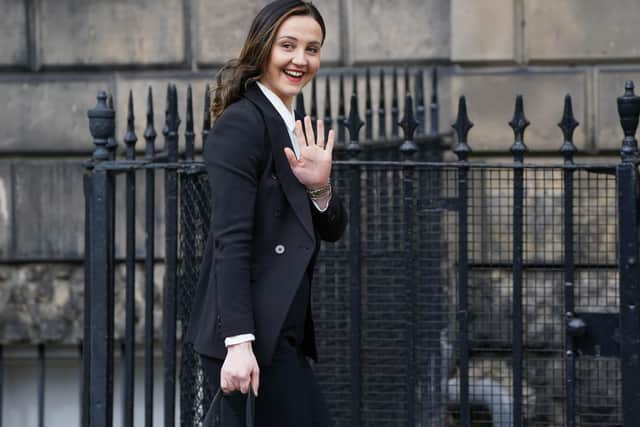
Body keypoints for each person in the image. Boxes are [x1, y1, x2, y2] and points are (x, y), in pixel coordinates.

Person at [185, 1, 347, 425]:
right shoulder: (243, 124)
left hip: (281, 336)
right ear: (262, 49)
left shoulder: (294, 126)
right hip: (249, 340)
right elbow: (230, 239)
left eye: (312, 49)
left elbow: (333, 229)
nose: (300, 60)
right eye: (288, 45)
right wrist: (238, 343)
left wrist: (320, 187)